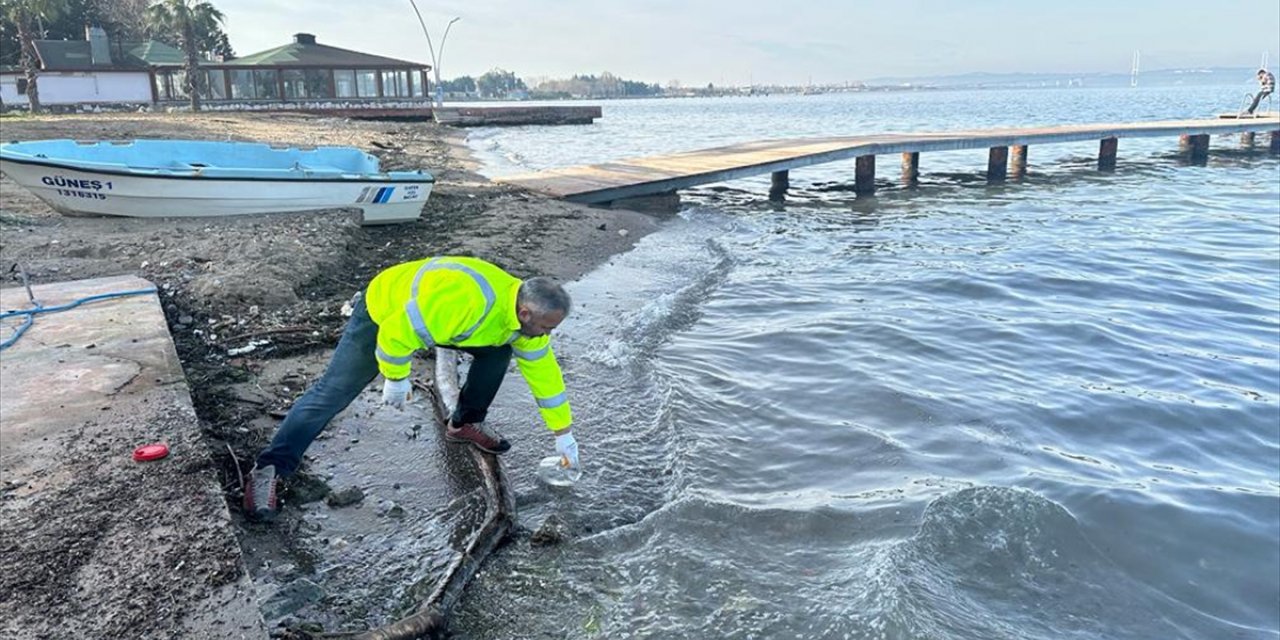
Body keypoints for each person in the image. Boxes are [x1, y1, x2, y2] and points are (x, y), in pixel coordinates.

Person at [243, 256, 579, 522]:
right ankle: (270, 467)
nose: (546, 335)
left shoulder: (523, 325)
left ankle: (464, 423)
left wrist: (563, 433)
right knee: (333, 392)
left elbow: (545, 377)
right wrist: (396, 377)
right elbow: (395, 332)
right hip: (386, 309)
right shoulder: (467, 302)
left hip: (447, 324)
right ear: (525, 312)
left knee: (499, 352)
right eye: (546, 328)